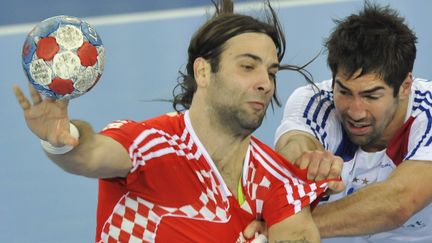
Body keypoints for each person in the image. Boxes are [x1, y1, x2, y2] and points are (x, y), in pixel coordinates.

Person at [13, 0, 332, 242]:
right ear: (203, 72)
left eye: (271, 72)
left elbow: (297, 232)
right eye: (248, 67)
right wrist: (61, 138)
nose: (266, 82)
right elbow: (89, 154)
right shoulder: (148, 144)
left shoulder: (278, 180)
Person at [272, 1, 432, 242]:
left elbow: (399, 201)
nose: (356, 112)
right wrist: (304, 160)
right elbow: (294, 144)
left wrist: (289, 224)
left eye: (371, 96)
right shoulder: (314, 100)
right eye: (344, 91)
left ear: (404, 87)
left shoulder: (427, 112)